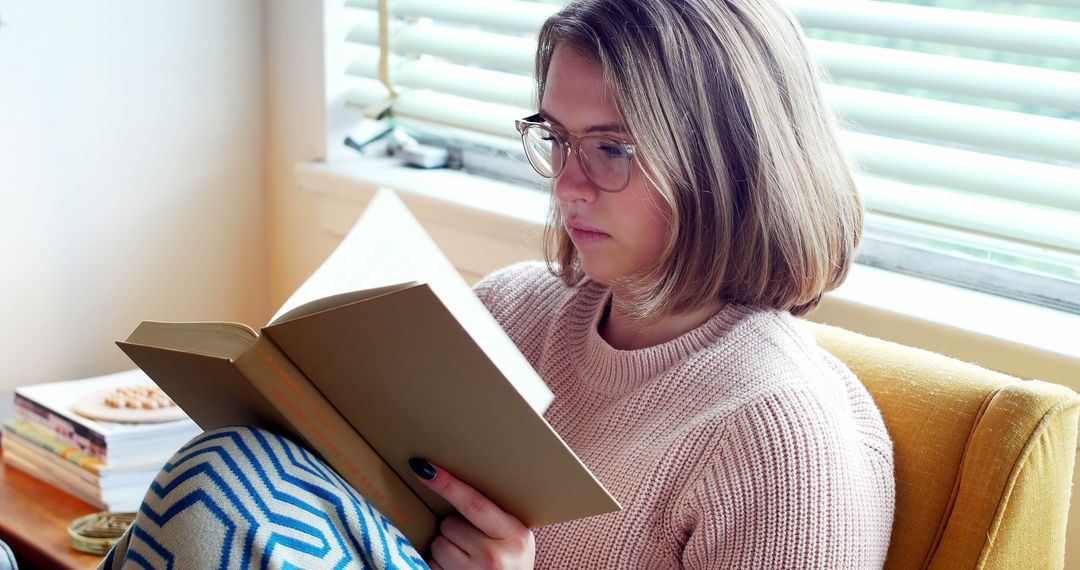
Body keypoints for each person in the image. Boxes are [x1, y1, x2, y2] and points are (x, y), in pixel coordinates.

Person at [101, 0, 894, 568]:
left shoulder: (782, 439)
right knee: (234, 464)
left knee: (227, 483)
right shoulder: (514, 308)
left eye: (611, 148)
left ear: (728, 161)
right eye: (556, 137)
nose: (569, 185)